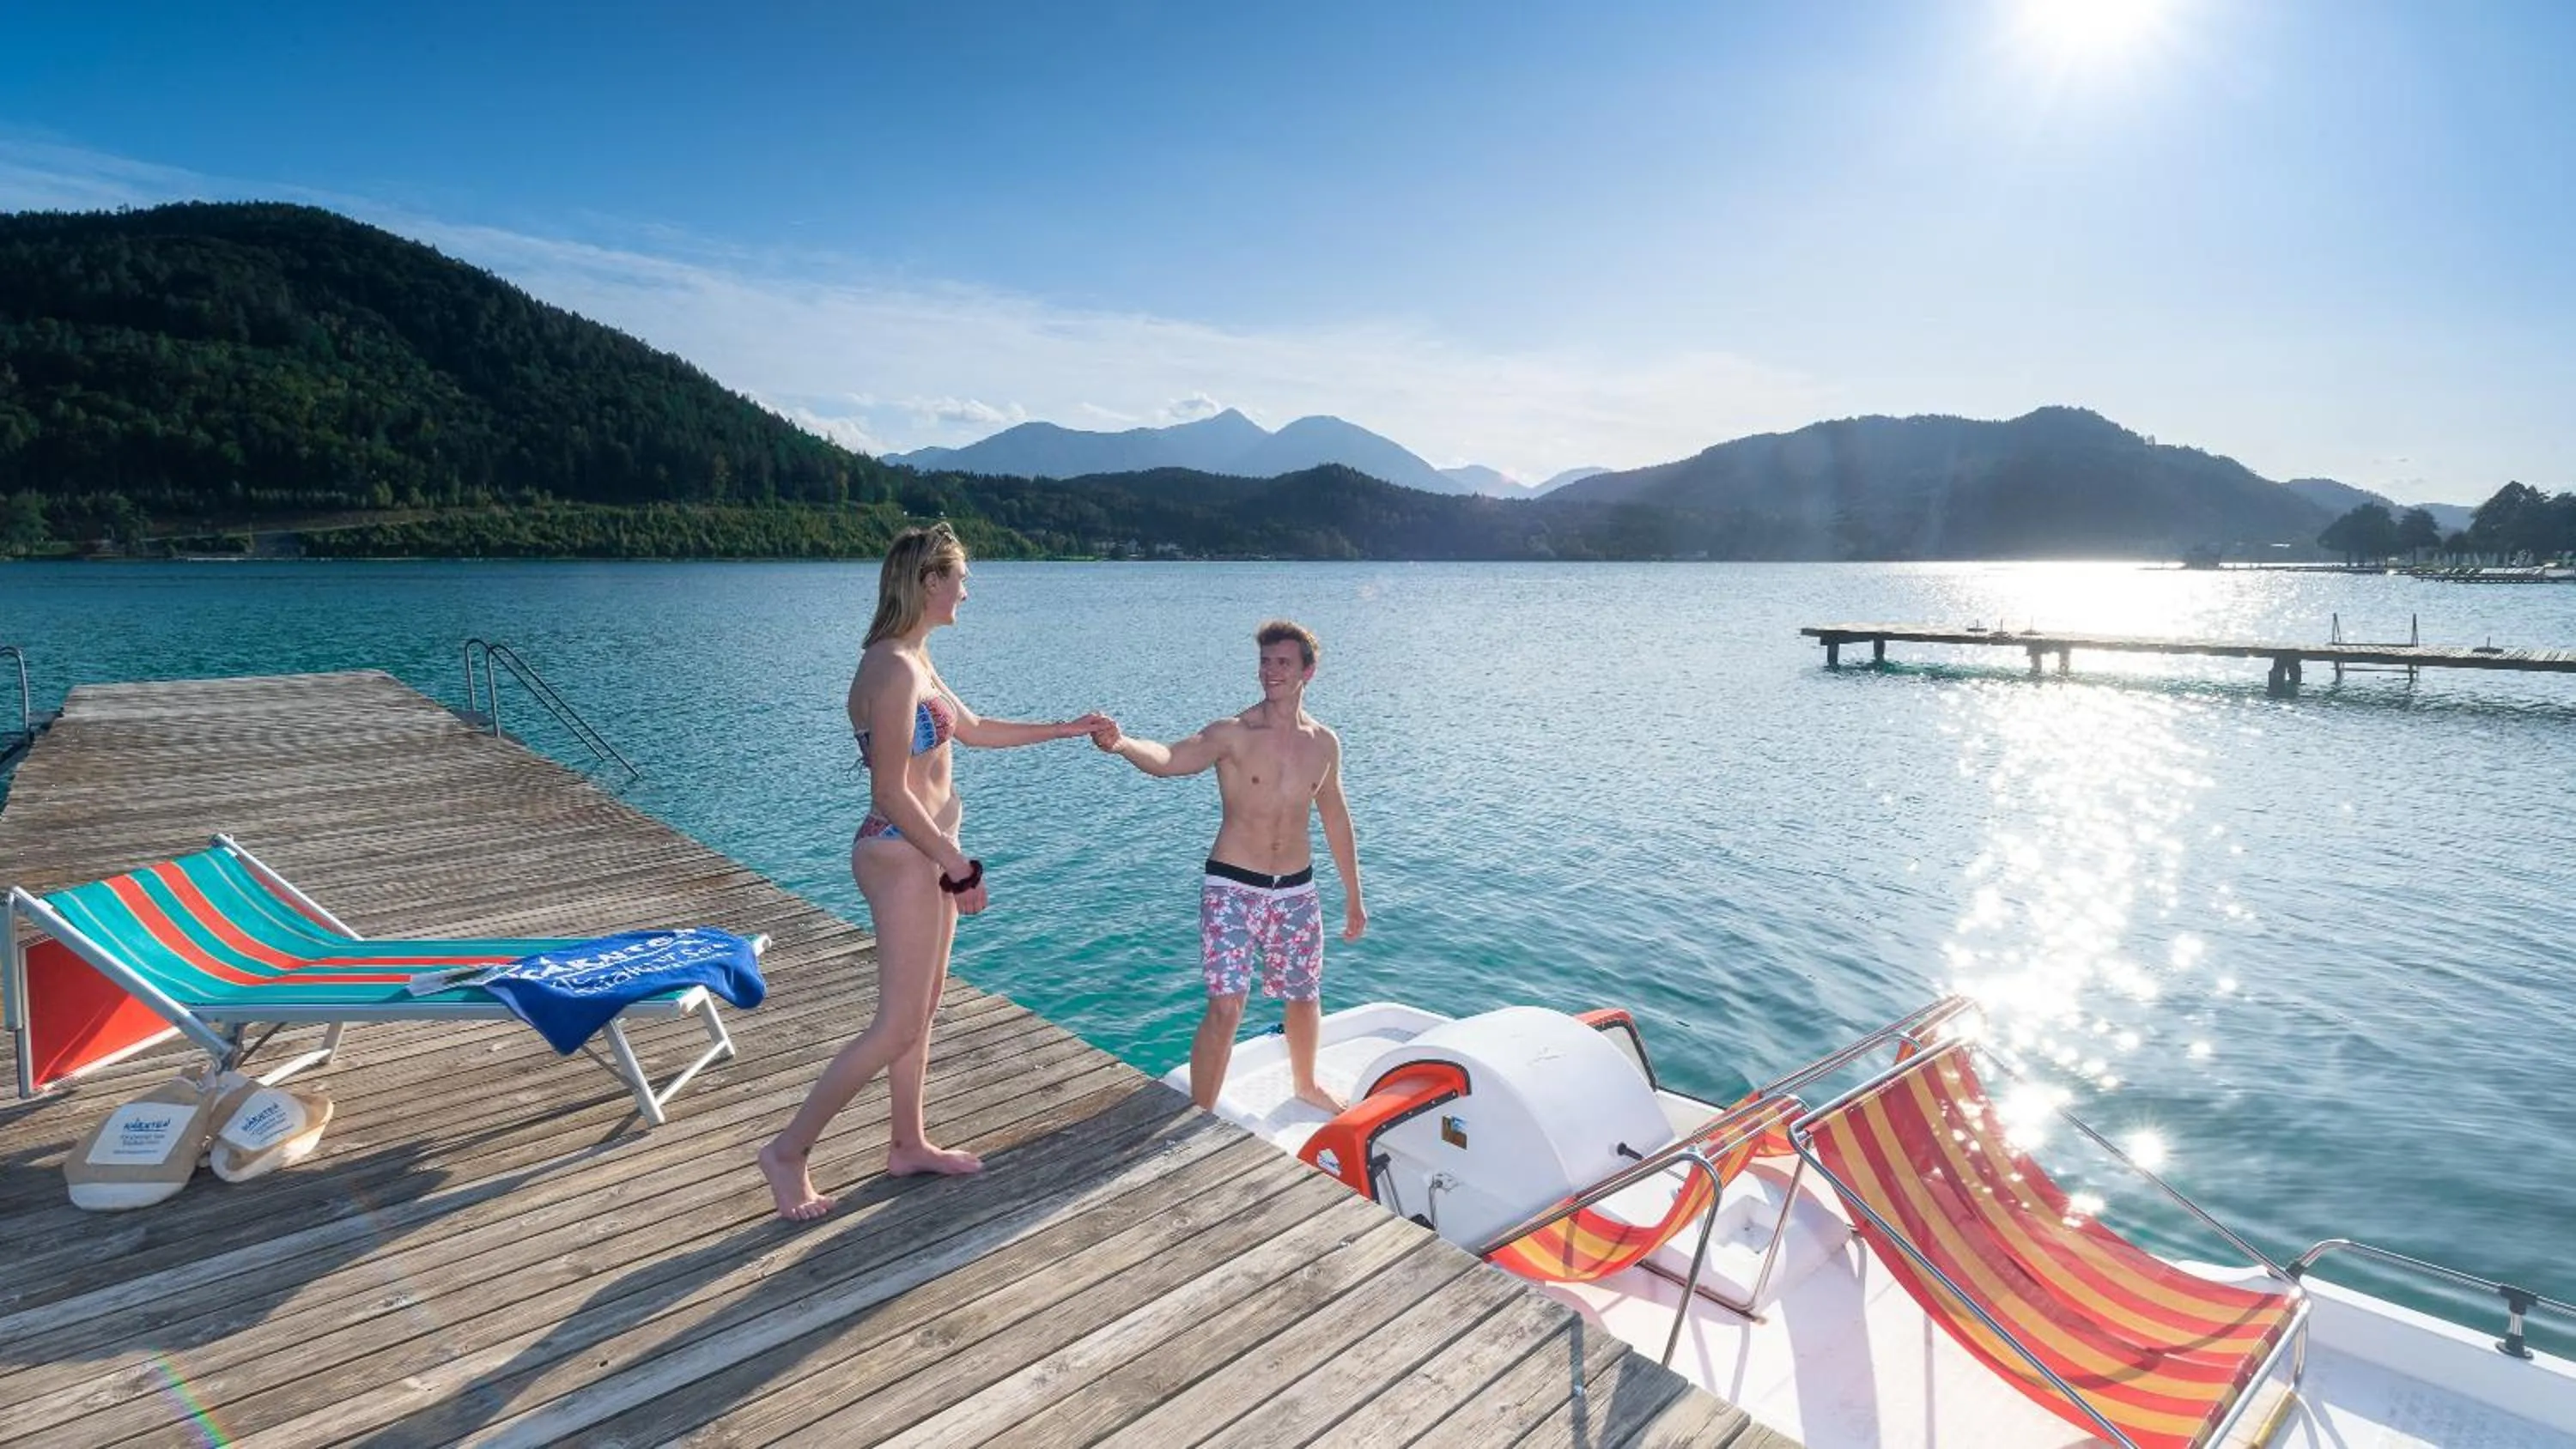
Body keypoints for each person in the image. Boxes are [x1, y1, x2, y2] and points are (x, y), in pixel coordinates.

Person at [759, 522, 1108, 1221]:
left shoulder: (916, 659)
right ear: (927, 582)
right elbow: (890, 788)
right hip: (903, 853)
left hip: (927, 853)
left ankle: (907, 1142)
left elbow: (974, 729)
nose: (966, 592)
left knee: (920, 1014)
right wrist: (954, 862)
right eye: (959, 578)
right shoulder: (891, 668)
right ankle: (788, 1151)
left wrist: (1067, 728)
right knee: (894, 1024)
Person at [1092, 619, 1365, 1114]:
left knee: (1304, 994)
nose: (1270, 672)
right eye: (1265, 662)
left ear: (1309, 671)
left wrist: (1354, 895)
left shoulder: (1324, 743)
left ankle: (1306, 1084)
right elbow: (1171, 757)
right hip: (1232, 888)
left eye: (1283, 662)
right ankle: (1202, 1112)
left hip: (1297, 891)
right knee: (1226, 1004)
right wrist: (1123, 743)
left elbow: (1336, 818)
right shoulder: (1234, 733)